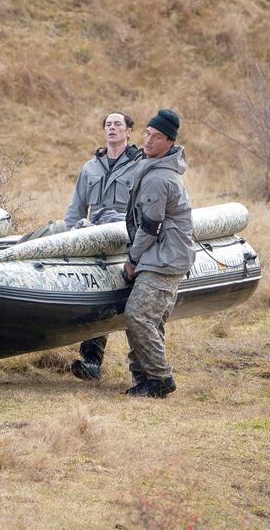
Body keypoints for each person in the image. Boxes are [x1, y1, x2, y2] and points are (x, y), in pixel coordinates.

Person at [122, 109, 196, 398]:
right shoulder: (156, 167)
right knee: (149, 319)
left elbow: (150, 227)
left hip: (164, 259)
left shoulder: (159, 177)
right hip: (167, 255)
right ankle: (144, 376)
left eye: (157, 137)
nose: (149, 140)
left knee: (138, 315)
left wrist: (132, 260)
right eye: (148, 134)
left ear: (170, 142)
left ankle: (159, 379)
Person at [66, 112, 144, 381]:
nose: (112, 128)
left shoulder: (140, 165)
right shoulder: (90, 167)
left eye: (117, 125)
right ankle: (91, 361)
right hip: (95, 240)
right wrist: (67, 240)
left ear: (129, 131)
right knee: (95, 298)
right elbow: (76, 208)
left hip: (128, 238)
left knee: (137, 305)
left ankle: (144, 368)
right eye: (108, 125)